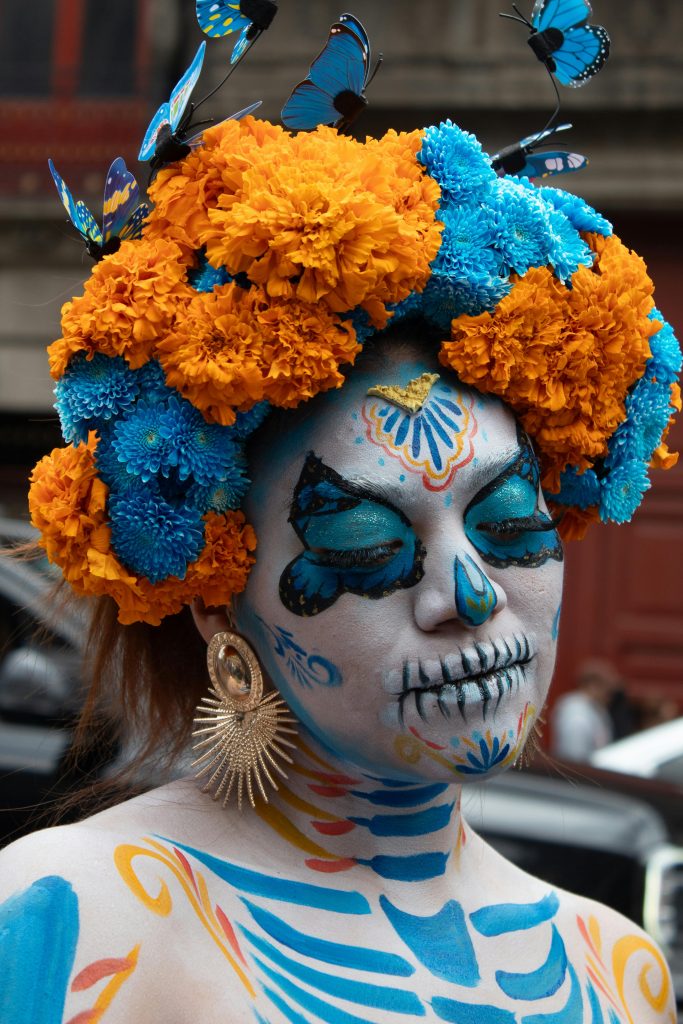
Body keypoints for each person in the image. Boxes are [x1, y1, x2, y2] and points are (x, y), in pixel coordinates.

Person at [1, 29, 681, 1024]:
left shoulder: (611, 966)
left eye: (504, 522)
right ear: (215, 597)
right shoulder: (72, 920)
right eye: (366, 544)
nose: (471, 594)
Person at [550, 657, 620, 761]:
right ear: (593, 685)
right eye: (608, 690)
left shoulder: (596, 708)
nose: (610, 697)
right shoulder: (576, 714)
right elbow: (575, 757)